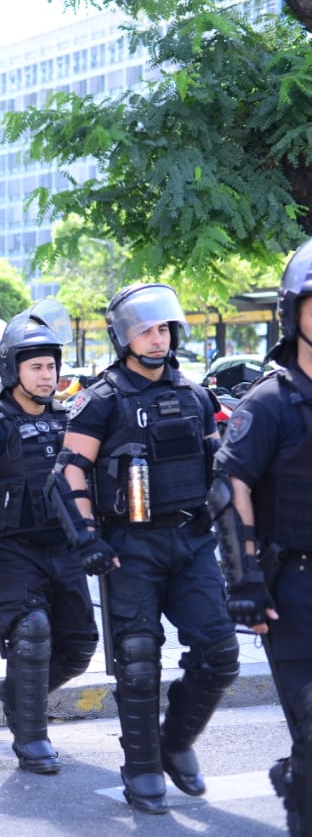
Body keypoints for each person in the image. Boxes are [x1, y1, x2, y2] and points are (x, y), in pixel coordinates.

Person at [50, 282, 237, 814]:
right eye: (145, 331)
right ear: (123, 337)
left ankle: (175, 740)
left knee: (221, 653)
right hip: (128, 546)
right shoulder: (102, 400)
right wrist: (87, 538)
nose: (157, 340)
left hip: (191, 541)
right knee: (137, 661)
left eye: (163, 329)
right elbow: (68, 473)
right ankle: (142, 765)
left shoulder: (196, 395)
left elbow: (220, 470)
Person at [0, 301, 97, 773]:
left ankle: (16, 693)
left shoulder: (69, 420)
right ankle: (32, 739)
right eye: (36, 368)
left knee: (79, 648)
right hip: (10, 552)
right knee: (31, 634)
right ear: (13, 371)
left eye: (51, 367)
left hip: (64, 548)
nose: (47, 376)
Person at [212, 242, 312, 836]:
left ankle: (296, 774)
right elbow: (230, 487)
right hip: (295, 587)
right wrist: (244, 578)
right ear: (292, 313)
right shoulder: (271, 400)